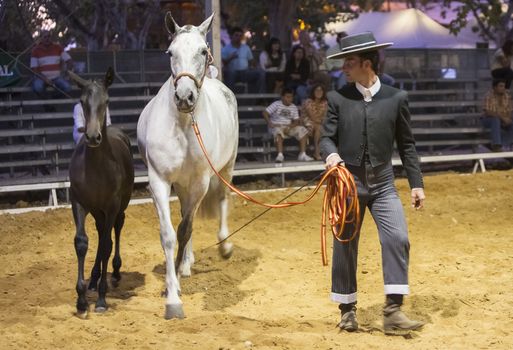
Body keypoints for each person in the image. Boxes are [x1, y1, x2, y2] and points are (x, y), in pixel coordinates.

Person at [321, 32, 425, 335]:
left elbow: (407, 145)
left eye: (349, 62)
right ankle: (347, 310)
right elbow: (326, 138)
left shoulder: (396, 98)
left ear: (367, 64)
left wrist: (416, 184)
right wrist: (332, 156)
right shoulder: (337, 98)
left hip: (383, 183)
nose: (344, 68)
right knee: (345, 245)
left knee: (398, 238)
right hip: (348, 182)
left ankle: (393, 310)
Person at [263, 87, 313, 162]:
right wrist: (270, 123)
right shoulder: (276, 104)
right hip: (277, 126)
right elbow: (265, 113)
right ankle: (280, 155)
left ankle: (302, 154)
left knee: (303, 130)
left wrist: (290, 127)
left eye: (291, 97)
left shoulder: (293, 107)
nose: (290, 99)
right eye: (287, 97)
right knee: (278, 131)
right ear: (282, 97)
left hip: (289, 126)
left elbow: (296, 121)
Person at [30, 30, 73, 98]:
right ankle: (48, 104)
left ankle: (52, 99)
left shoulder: (58, 48)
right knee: (38, 88)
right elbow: (34, 69)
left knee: (68, 88)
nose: (47, 39)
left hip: (56, 77)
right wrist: (45, 79)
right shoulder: (35, 50)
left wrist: (67, 74)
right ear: (41, 38)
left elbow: (69, 61)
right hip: (41, 78)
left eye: (49, 37)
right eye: (45, 37)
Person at [221, 27, 265, 93]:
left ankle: (258, 98)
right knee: (230, 73)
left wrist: (256, 66)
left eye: (240, 35)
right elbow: (223, 64)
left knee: (260, 73)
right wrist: (230, 58)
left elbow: (252, 61)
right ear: (231, 36)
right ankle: (229, 97)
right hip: (232, 73)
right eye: (236, 35)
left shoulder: (246, 47)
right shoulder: (226, 49)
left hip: (245, 72)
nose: (238, 37)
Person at [481, 79, 513, 152]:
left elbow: (510, 110)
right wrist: (503, 118)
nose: (503, 88)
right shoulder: (489, 96)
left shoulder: (507, 96)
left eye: (504, 86)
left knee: (511, 122)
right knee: (495, 119)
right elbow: (488, 112)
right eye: (501, 86)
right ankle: (496, 145)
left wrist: (508, 118)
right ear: (495, 87)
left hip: (503, 118)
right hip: (487, 119)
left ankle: (506, 143)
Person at [301, 84, 328, 160]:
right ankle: (317, 152)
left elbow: (325, 116)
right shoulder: (308, 102)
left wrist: (322, 121)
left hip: (319, 124)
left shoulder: (325, 102)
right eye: (317, 90)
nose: (319, 92)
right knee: (319, 128)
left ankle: (317, 153)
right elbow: (312, 117)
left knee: (320, 128)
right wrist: (321, 121)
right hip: (307, 123)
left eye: (321, 90)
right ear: (313, 92)